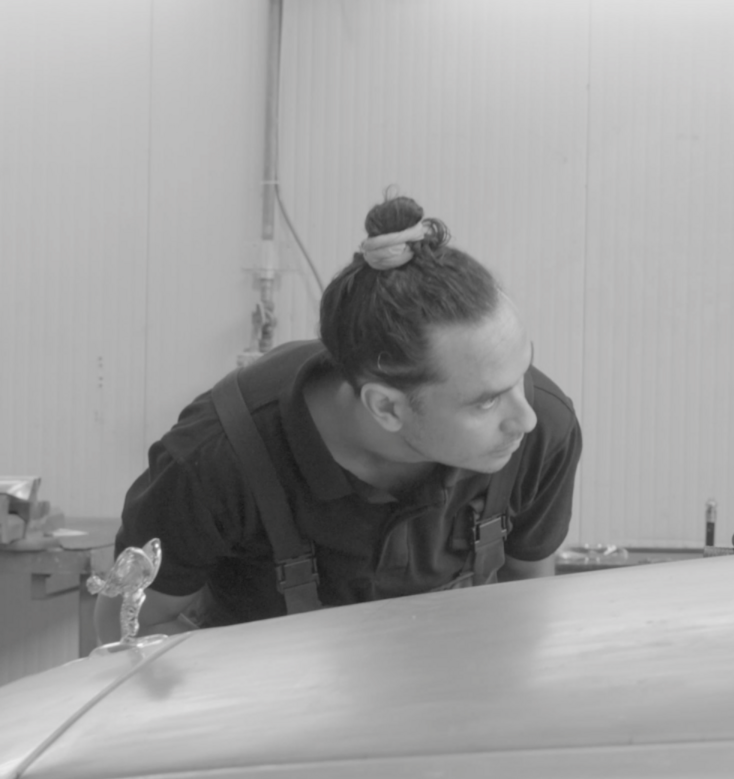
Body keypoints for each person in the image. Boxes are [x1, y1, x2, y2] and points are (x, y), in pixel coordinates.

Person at [96, 196, 583, 639]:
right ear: (386, 407)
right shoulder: (212, 463)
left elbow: (527, 614)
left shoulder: (543, 430)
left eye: (521, 372)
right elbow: (127, 634)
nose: (525, 419)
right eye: (486, 402)